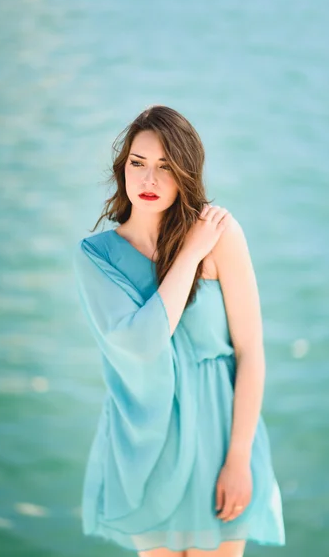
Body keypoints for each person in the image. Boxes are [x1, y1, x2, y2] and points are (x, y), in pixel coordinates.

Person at [73, 105, 286, 557]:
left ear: (186, 173)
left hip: (220, 437)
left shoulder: (222, 236)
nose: (149, 180)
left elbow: (250, 351)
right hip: (144, 446)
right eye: (138, 163)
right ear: (122, 168)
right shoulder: (96, 257)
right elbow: (145, 343)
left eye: (166, 168)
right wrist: (189, 256)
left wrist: (239, 459)